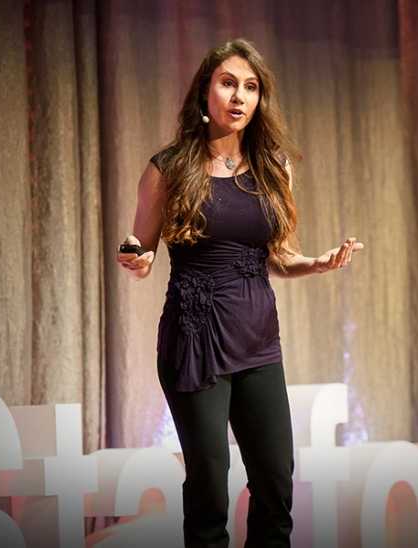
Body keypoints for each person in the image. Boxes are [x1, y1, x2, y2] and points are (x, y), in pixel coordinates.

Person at [116, 38, 364, 548]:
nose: (239, 96)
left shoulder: (274, 168)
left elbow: (280, 256)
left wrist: (315, 262)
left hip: (258, 342)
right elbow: (142, 253)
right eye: (228, 83)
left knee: (276, 481)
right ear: (205, 91)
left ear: (259, 101)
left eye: (250, 88)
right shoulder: (167, 169)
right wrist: (135, 257)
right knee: (209, 487)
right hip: (195, 341)